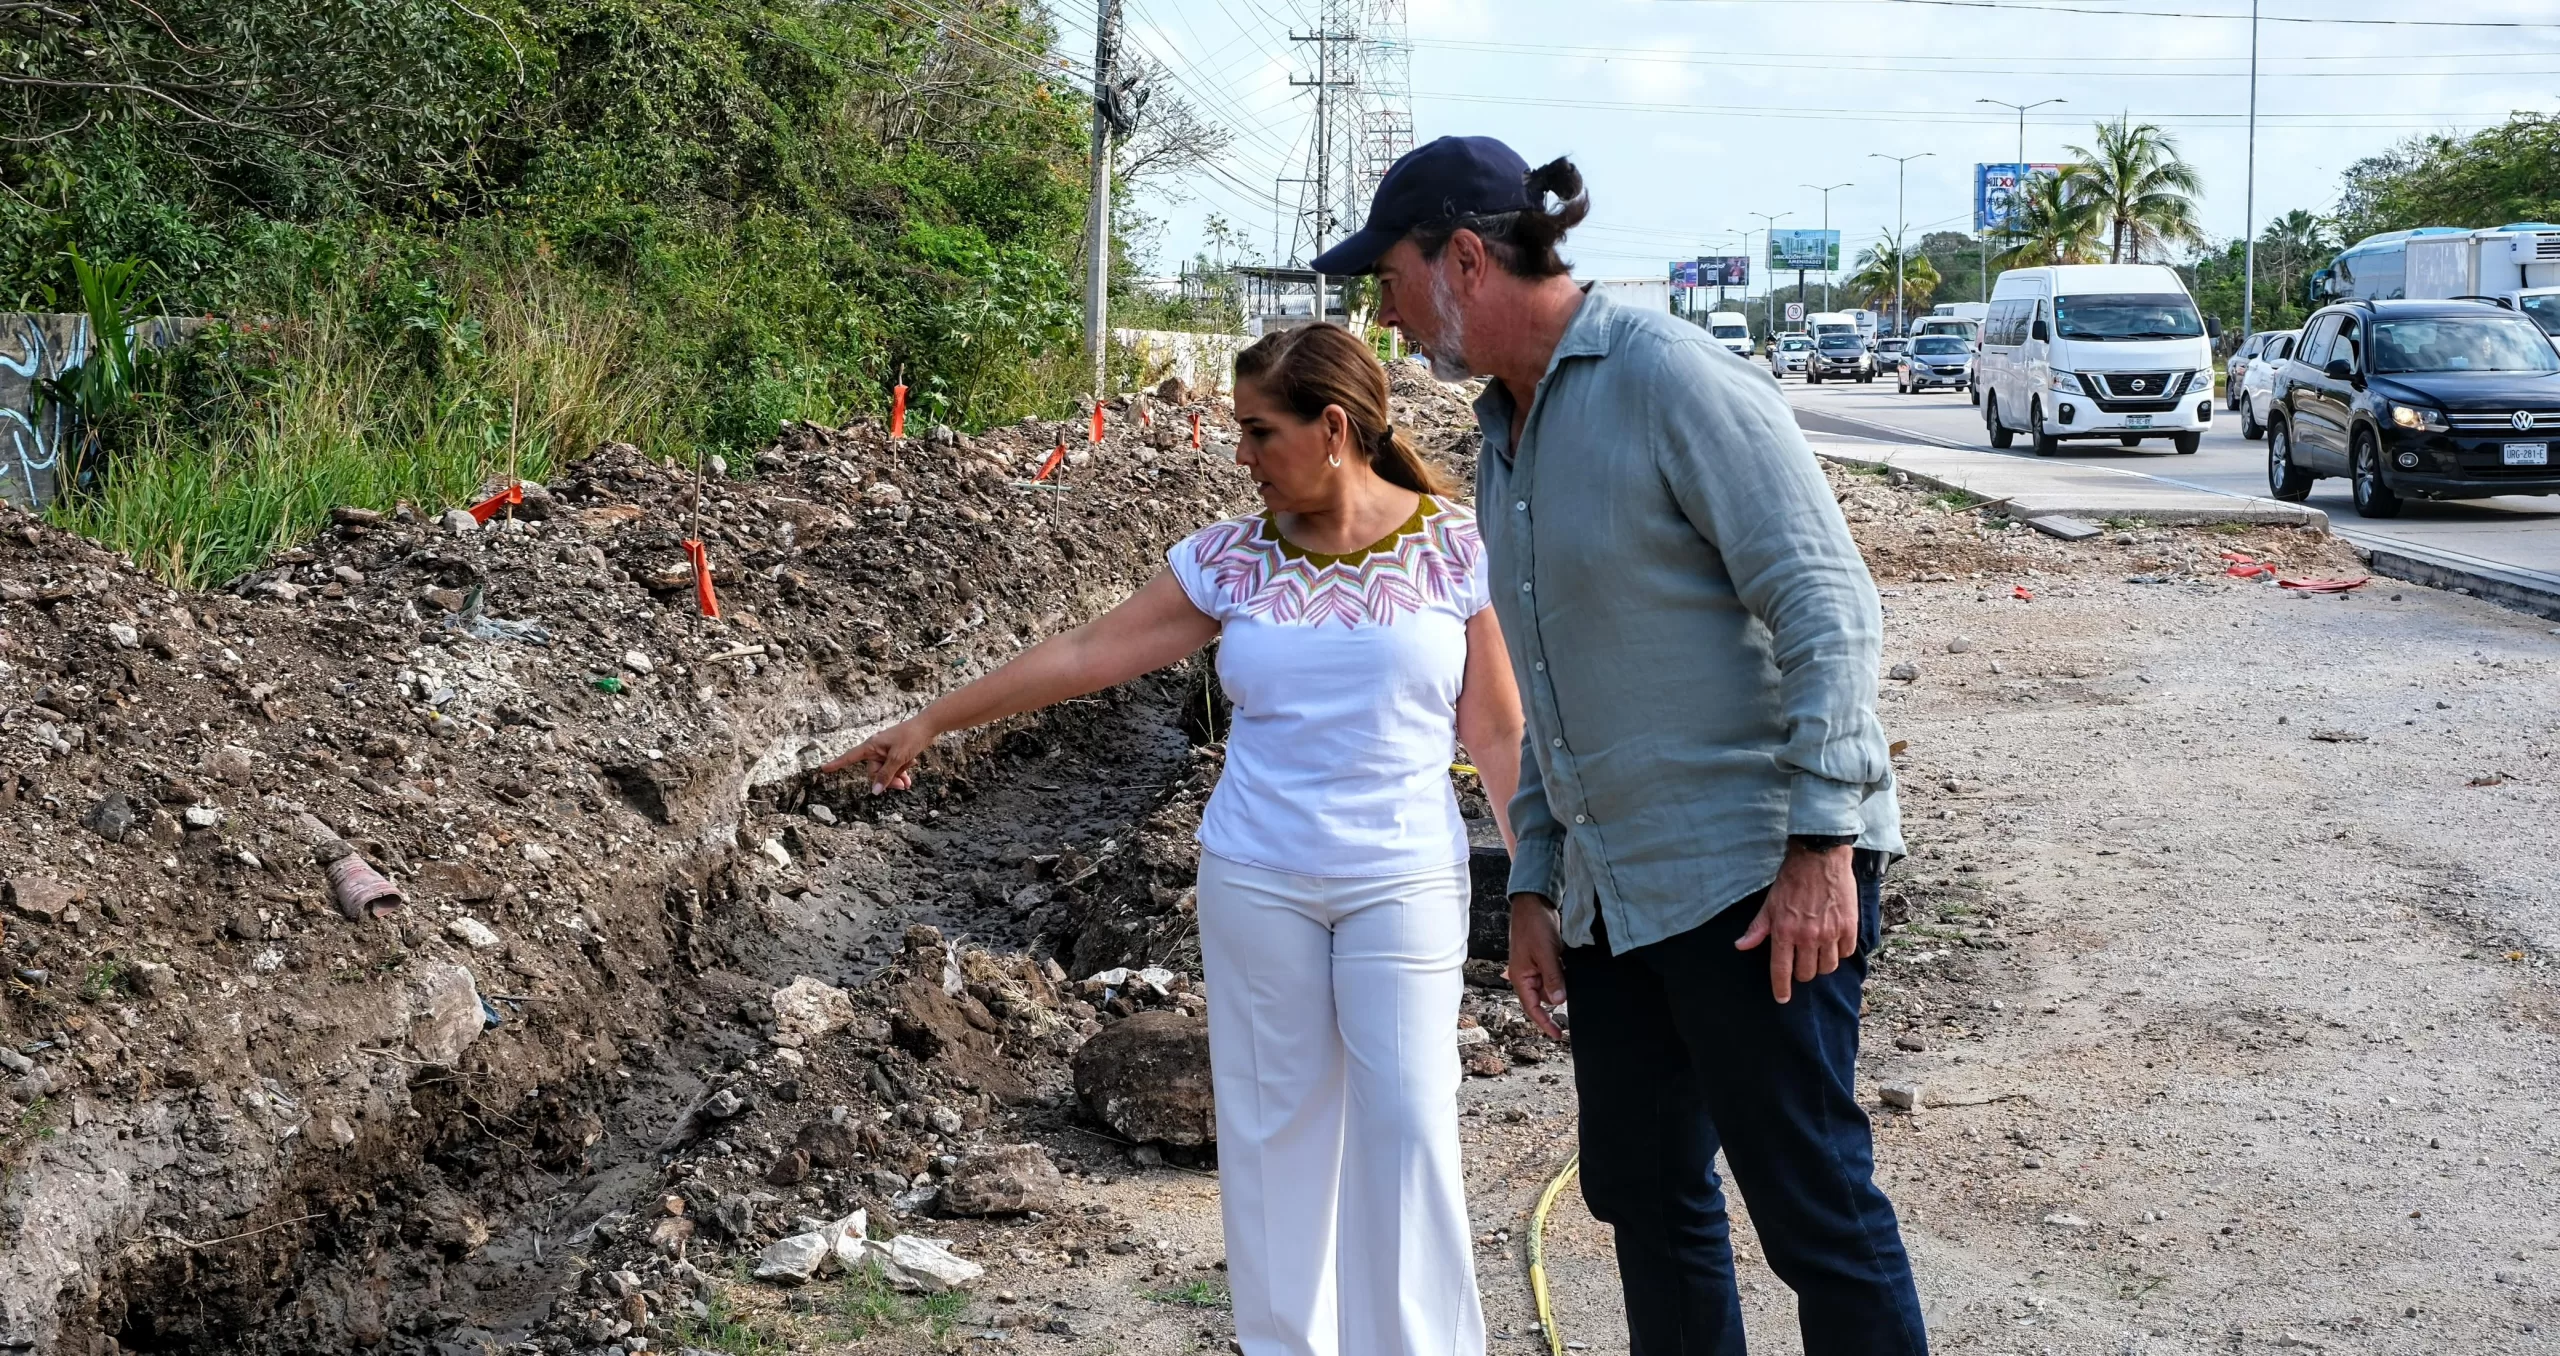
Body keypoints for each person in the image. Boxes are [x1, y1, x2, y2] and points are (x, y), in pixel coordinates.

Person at [1310, 135, 1928, 1353]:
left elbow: (1828, 609)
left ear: (1466, 258)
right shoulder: (1504, 436)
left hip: (1754, 877)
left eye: (1387, 276)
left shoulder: (1670, 382)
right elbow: (1551, 680)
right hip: (1614, 892)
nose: (1381, 313)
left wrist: (1821, 844)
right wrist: (1535, 880)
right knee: (1643, 1191)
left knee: (1811, 1208)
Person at [823, 322, 1522, 1356]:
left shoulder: (1459, 547)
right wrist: (933, 719)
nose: (1239, 456)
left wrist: (1552, 888)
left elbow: (1498, 732)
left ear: (1332, 428)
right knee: (1274, 1131)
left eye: (1256, 431)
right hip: (1259, 881)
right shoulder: (1231, 559)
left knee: (1410, 1127)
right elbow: (1085, 652)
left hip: (1402, 880)